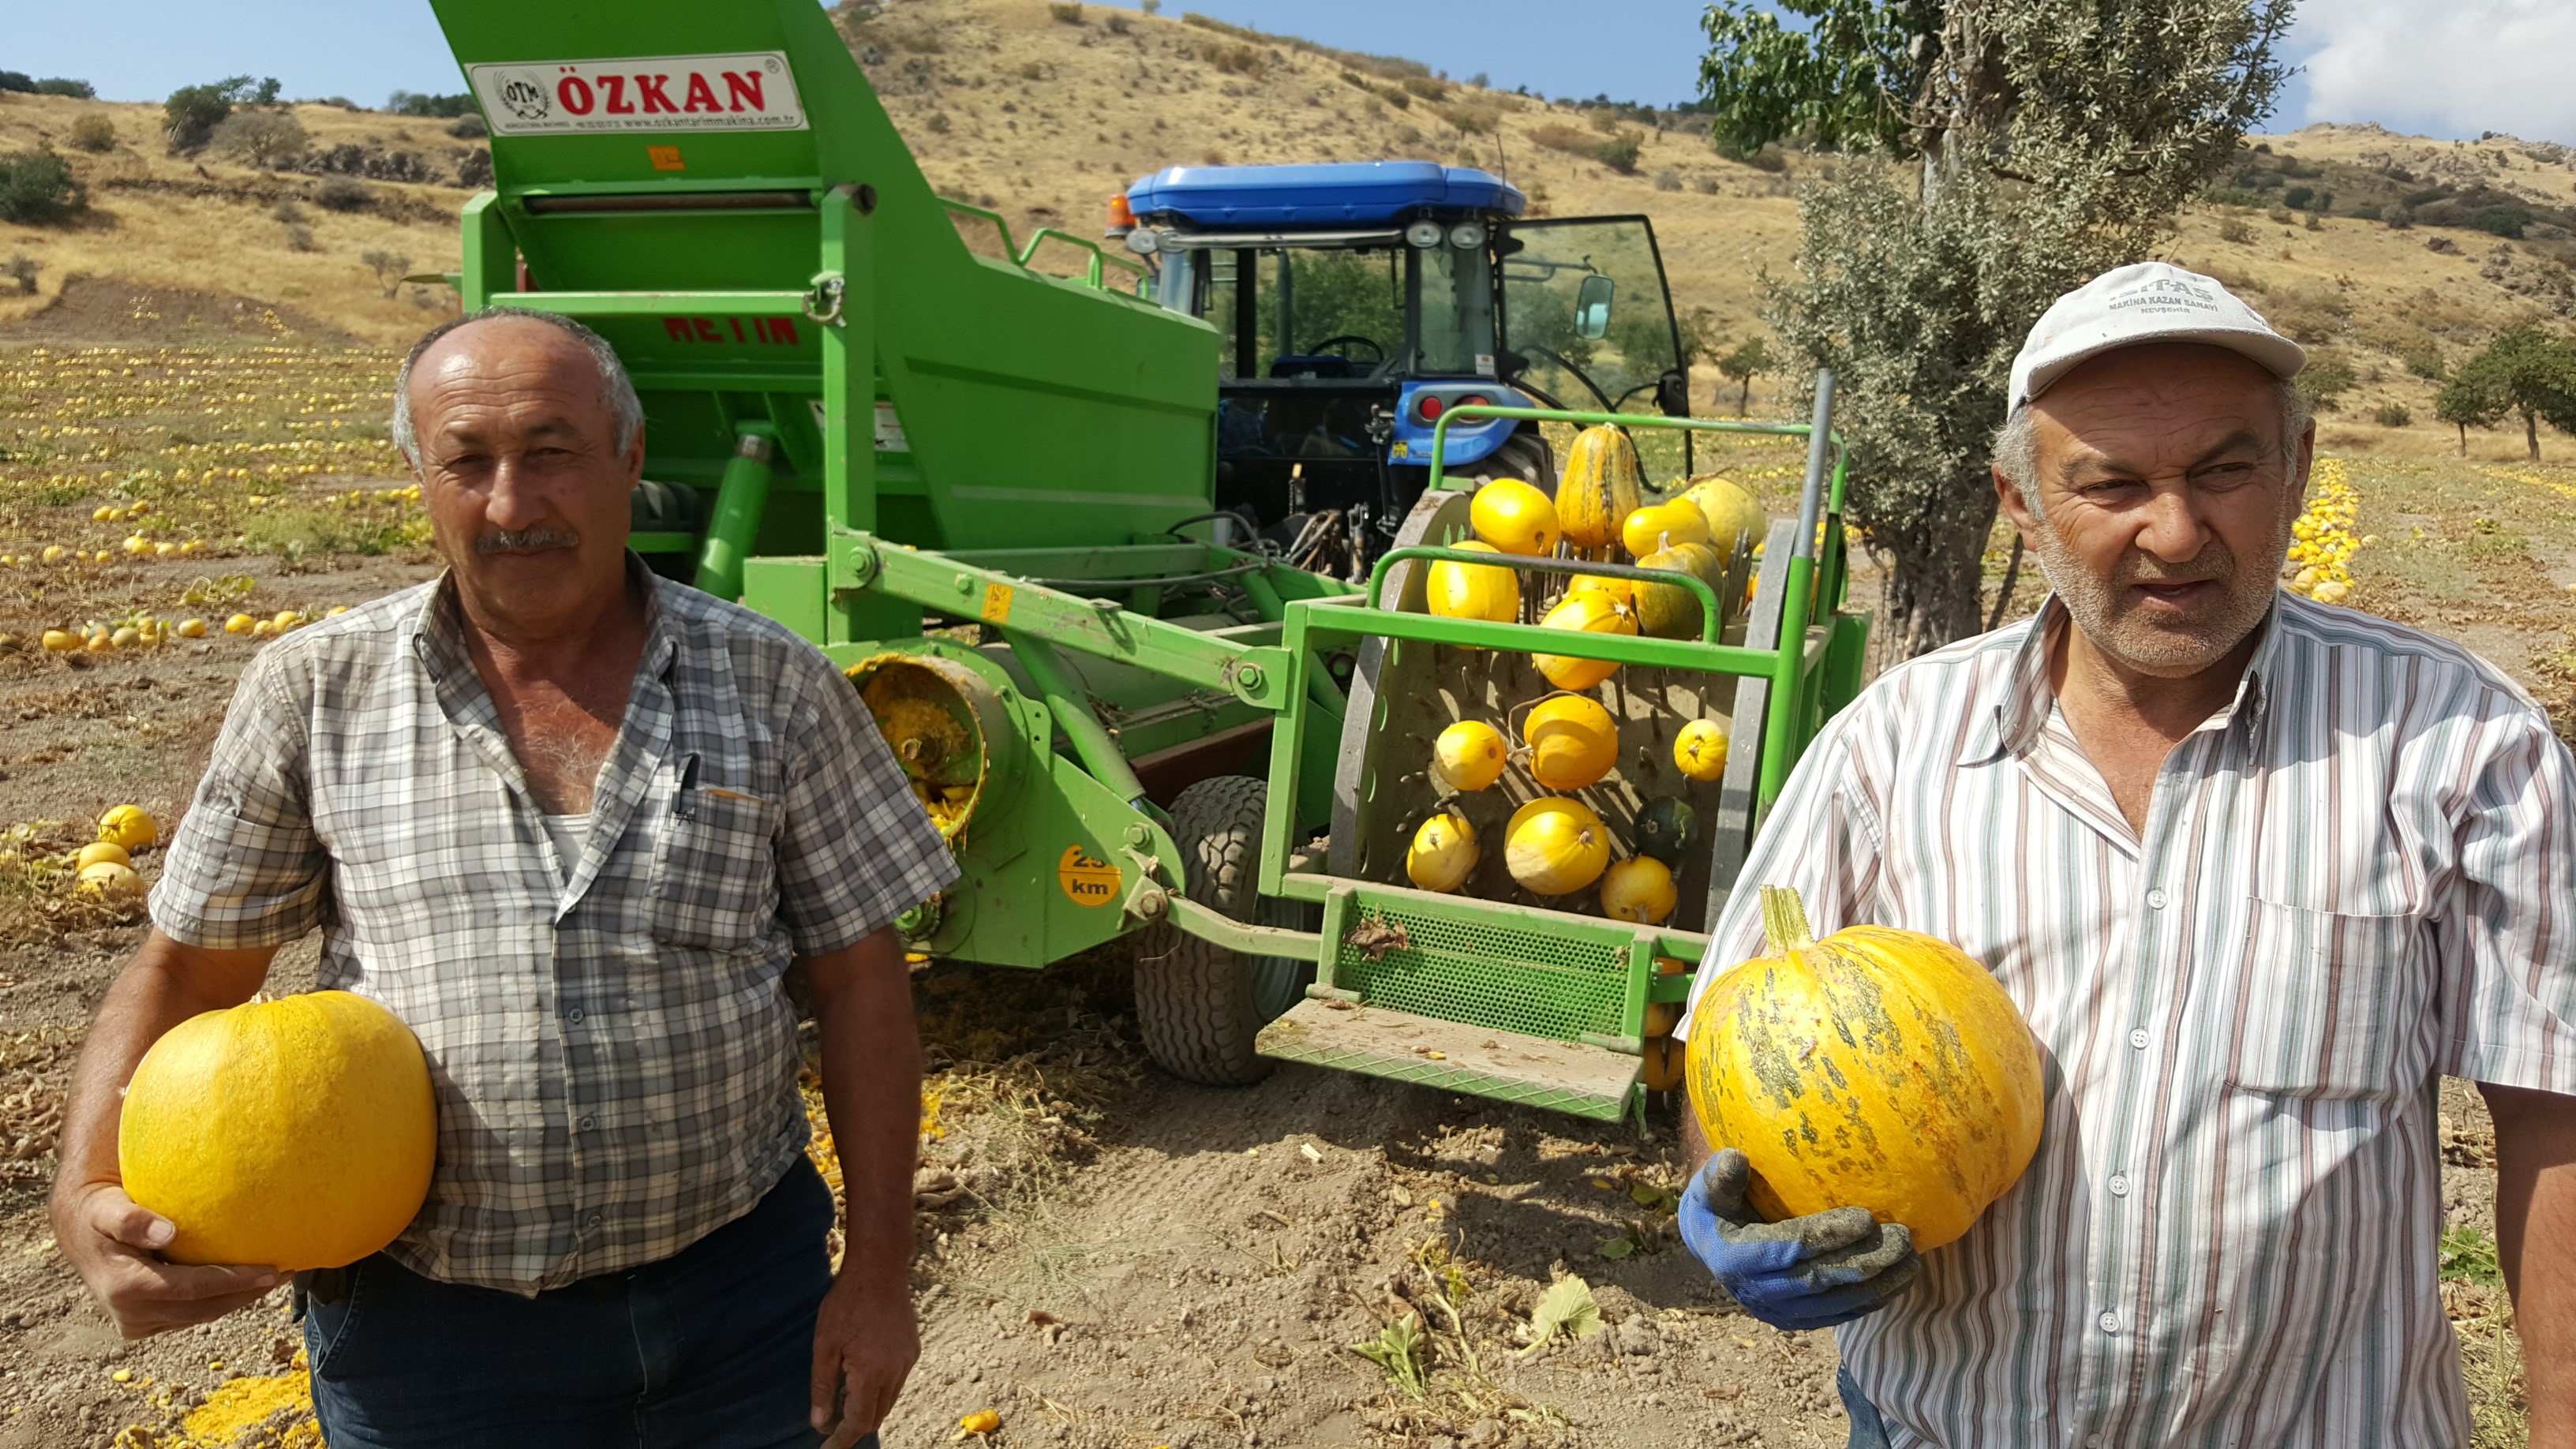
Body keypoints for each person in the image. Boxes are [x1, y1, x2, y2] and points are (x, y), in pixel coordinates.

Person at [1674, 262, 2576, 1447]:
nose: (2178, 530)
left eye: (2226, 469)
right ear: (2020, 502)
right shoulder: (1888, 746)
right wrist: (1737, 1203)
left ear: (2299, 468)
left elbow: (2557, 1125)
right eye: (2111, 483)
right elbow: (1727, 1055)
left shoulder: (2464, 743)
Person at [49, 308, 958, 1449]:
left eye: (552, 452)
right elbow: (188, 966)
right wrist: (86, 1188)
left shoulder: (774, 682)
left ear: (629, 459)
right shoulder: (313, 691)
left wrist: (878, 1275)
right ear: (420, 479)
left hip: (746, 1309)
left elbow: (863, 982)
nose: (513, 505)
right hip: (430, 1344)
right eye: (467, 463)